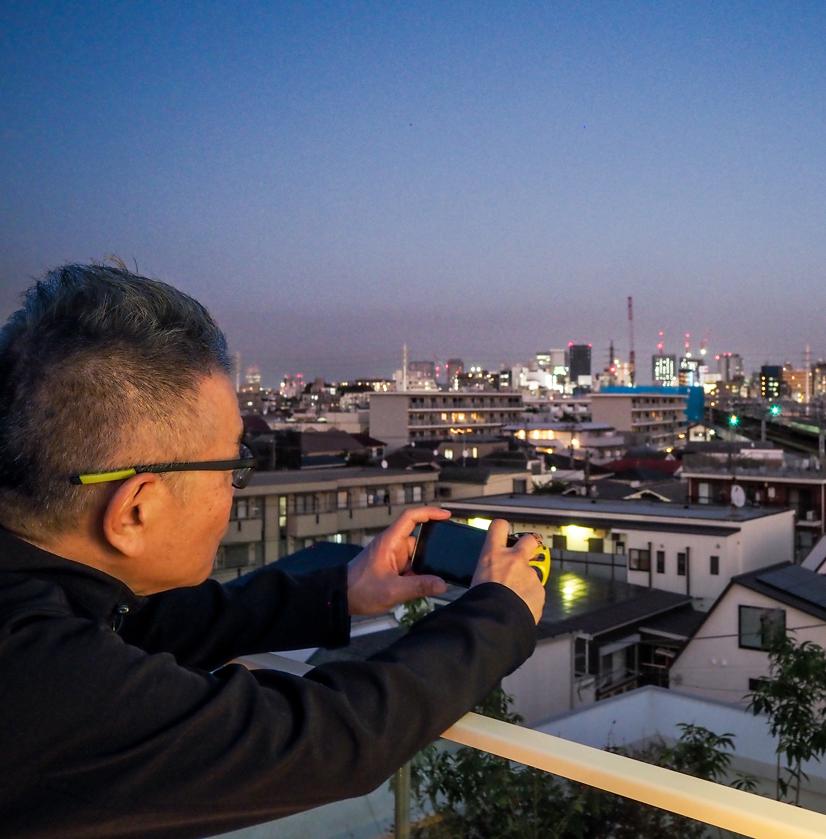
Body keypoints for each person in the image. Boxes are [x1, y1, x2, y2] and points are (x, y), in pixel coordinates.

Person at [0, 263, 546, 838]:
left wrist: (342, 591)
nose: (237, 488)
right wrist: (498, 616)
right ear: (136, 510)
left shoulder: (37, 602)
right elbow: (324, 741)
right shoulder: (37, 678)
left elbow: (140, 627)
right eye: (233, 466)